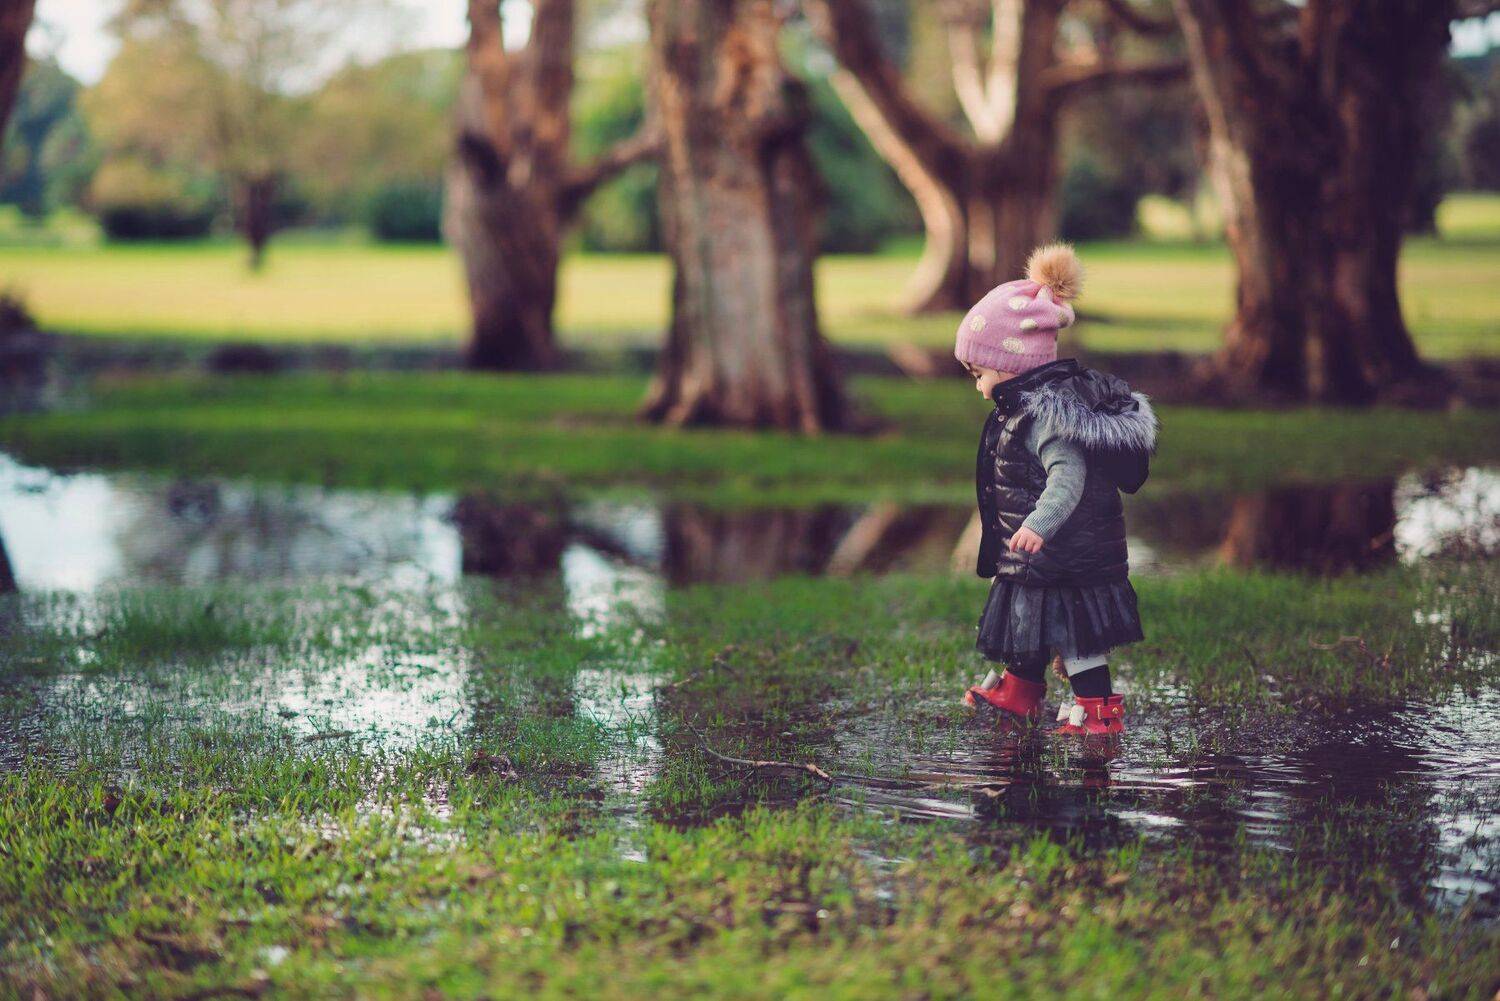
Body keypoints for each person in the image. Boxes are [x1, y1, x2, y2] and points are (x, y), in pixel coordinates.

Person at [955, 244, 1157, 737]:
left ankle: (1097, 711)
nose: (978, 385)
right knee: (1027, 618)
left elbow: (1068, 475)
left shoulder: (1046, 417)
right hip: (1043, 558)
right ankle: (1020, 692)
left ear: (1009, 365)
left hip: (1067, 556)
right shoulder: (1023, 407)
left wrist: (1037, 526)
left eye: (979, 373)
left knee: (1076, 634)